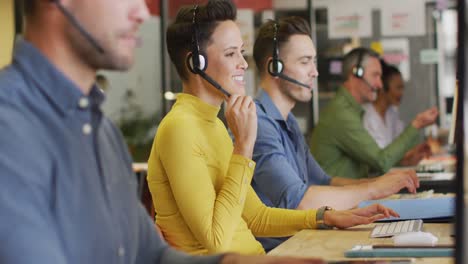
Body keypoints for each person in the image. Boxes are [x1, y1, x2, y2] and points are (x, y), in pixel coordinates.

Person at [0, 0, 325, 263]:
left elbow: (149, 253)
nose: (142, 12)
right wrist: (244, 148)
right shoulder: (10, 127)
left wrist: (319, 220)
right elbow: (214, 238)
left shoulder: (102, 131)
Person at [147, 0, 398, 256]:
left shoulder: (214, 125)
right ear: (196, 63)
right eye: (231, 53)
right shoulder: (180, 128)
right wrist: (243, 148)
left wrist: (325, 217)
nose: (243, 64)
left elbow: (256, 217)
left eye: (241, 52)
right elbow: (217, 239)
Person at [250, 16, 419, 251]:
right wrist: (372, 189)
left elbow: (324, 181)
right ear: (274, 67)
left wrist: (377, 185)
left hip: (305, 241)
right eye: (305, 62)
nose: (315, 72)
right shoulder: (258, 123)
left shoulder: (287, 121)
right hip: (281, 251)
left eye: (314, 61)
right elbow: (297, 201)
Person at [309, 48, 438, 179]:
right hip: (334, 197)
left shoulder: (350, 110)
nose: (380, 84)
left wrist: (404, 160)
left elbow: (369, 162)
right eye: (375, 75)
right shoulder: (341, 114)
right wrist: (417, 124)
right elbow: (381, 161)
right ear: (355, 72)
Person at [363, 60, 434, 166]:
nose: (401, 93)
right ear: (382, 88)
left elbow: (398, 152)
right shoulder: (367, 116)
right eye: (398, 88)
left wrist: (416, 151)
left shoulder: (392, 113)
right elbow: (382, 159)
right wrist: (418, 123)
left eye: (402, 88)